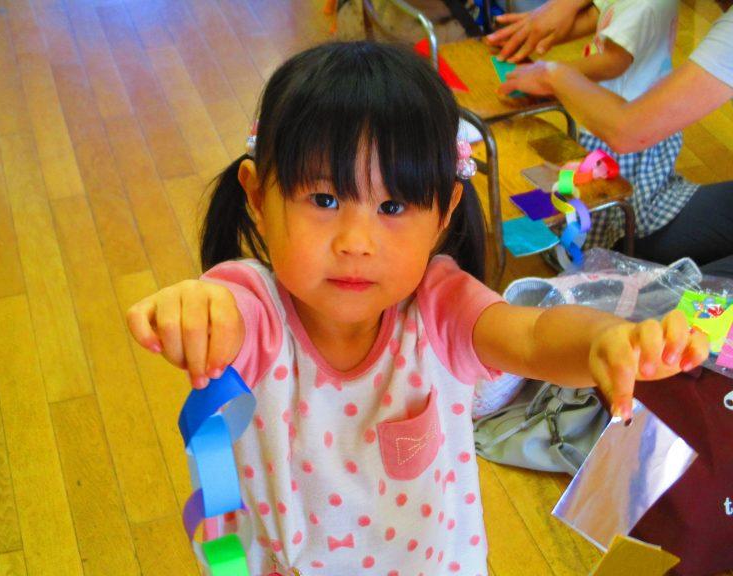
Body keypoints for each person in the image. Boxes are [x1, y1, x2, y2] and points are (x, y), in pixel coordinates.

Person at [126, 42, 708, 576]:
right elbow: (221, 313)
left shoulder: (439, 306)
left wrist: (603, 340)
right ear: (257, 196)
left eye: (393, 206)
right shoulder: (256, 310)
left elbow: (532, 336)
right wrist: (195, 312)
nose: (356, 241)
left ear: (445, 211)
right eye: (323, 199)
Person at [490, 0, 733, 277]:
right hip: (618, 125)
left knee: (611, 204)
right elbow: (600, 12)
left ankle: (605, 255)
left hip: (626, 137)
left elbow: (628, 122)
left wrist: (553, 75)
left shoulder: (648, 6)